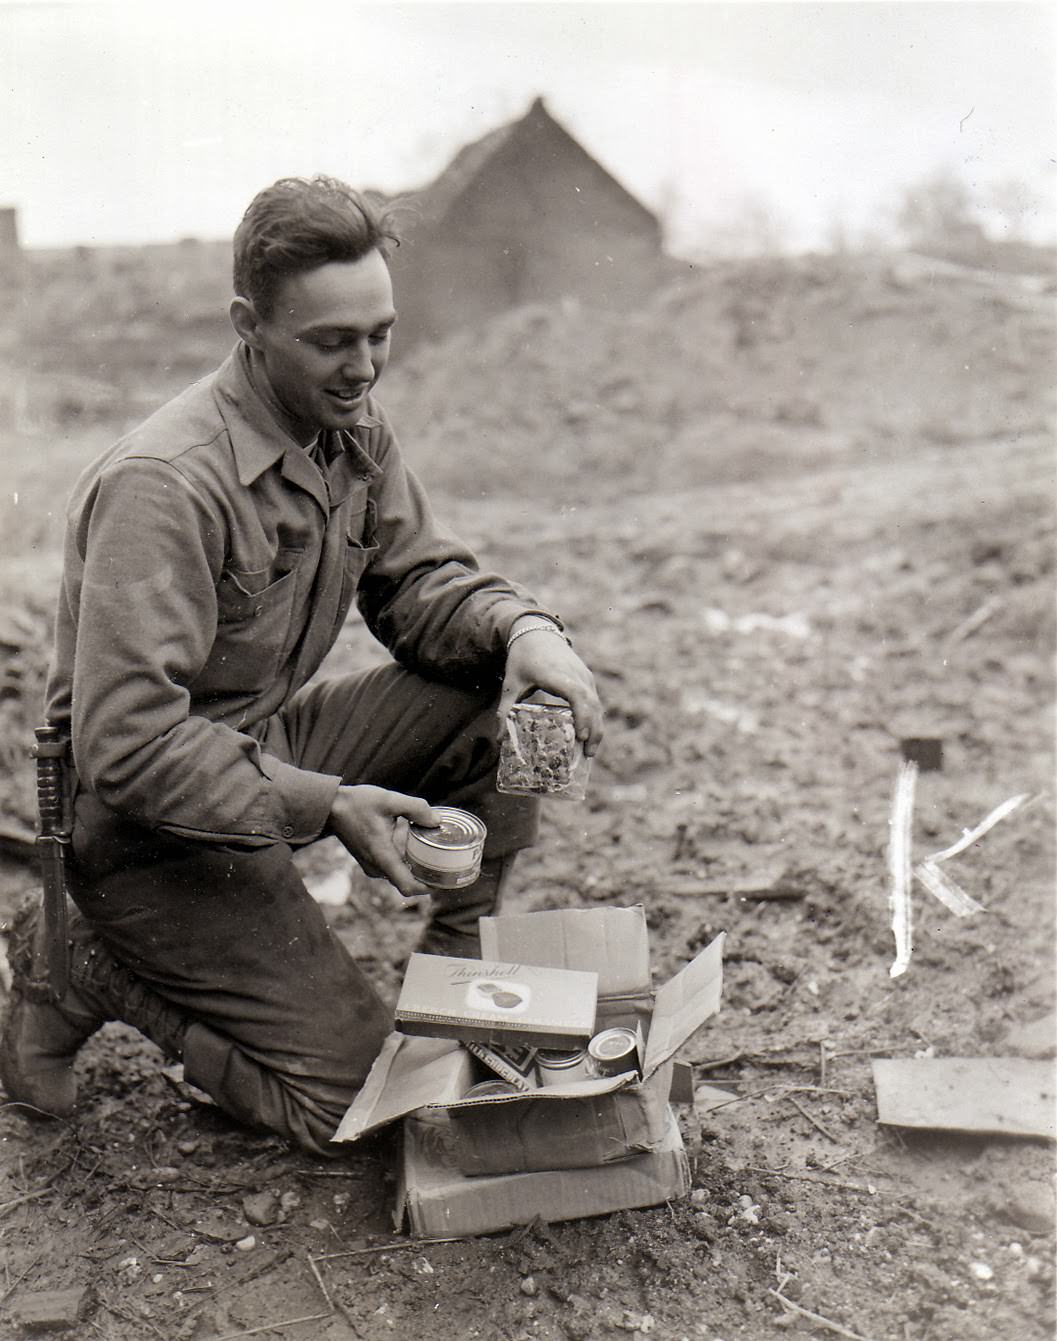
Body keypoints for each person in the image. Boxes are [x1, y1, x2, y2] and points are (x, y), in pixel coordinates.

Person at [0, 175, 603, 1156]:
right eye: (332, 341)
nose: (364, 367)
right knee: (361, 1109)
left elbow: (419, 589)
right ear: (249, 325)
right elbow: (128, 747)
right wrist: (326, 805)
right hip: (139, 831)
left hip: (256, 755)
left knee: (482, 688)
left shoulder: (348, 431)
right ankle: (87, 971)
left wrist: (525, 630)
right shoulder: (163, 488)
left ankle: (453, 958)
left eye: (380, 333)